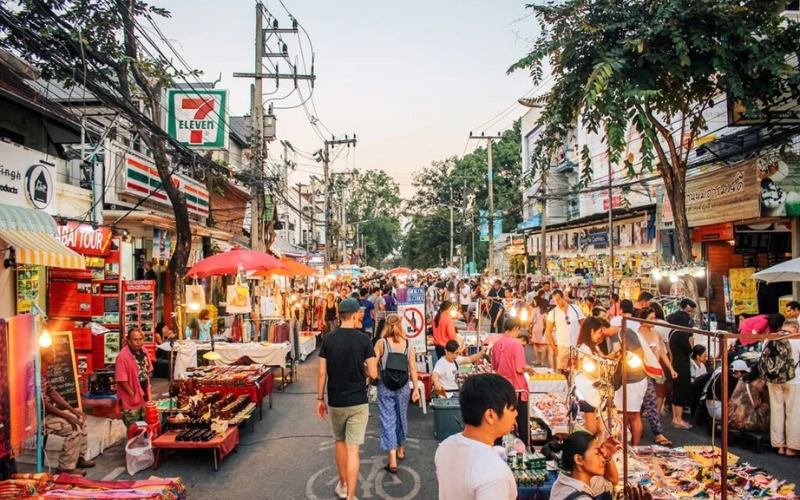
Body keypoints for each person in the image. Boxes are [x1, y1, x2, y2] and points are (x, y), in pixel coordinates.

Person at [317, 298, 379, 500]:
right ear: (354, 316)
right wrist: (363, 370)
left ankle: (342, 484)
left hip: (336, 400)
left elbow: (321, 373)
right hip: (358, 401)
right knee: (354, 449)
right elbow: (373, 372)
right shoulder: (363, 340)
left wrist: (320, 399)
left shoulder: (328, 339)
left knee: (340, 442)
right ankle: (351, 496)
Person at [435, 374, 518, 500]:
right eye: (511, 409)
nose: (516, 413)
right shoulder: (493, 473)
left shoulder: (446, 446)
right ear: (490, 415)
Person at [373, 314, 420, 473]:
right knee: (402, 417)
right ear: (401, 326)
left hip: (385, 385)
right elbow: (413, 368)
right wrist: (415, 389)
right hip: (403, 386)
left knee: (388, 420)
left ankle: (392, 459)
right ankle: (401, 448)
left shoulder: (381, 343)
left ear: (386, 326)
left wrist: (372, 376)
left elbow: (372, 363)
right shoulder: (408, 344)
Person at [42, 347, 95, 475]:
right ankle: (65, 467)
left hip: (49, 413)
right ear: (46, 356)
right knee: (73, 428)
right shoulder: (33, 373)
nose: (55, 355)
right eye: (52, 352)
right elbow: (43, 404)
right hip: (39, 417)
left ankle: (78, 458)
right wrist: (66, 416)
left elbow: (51, 392)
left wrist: (72, 410)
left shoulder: (43, 373)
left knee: (80, 420)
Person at [491, 317, 536, 444]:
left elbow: (495, 366)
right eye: (518, 330)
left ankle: (498, 446)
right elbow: (519, 368)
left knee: (500, 418)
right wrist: (529, 369)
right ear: (515, 329)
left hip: (501, 387)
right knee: (522, 421)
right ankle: (526, 447)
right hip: (517, 388)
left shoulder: (496, 344)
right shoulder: (516, 344)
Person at [638, 308, 678, 447]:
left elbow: (662, 354)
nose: (653, 321)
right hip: (642, 371)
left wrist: (671, 369)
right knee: (650, 401)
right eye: (650, 318)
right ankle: (658, 433)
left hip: (654, 371)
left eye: (654, 318)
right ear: (643, 320)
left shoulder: (656, 334)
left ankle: (636, 427)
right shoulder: (638, 335)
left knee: (644, 402)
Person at [763, 313, 800, 456]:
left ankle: (778, 445)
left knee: (777, 411)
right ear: (795, 328)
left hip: (773, 380)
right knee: (793, 413)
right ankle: (791, 447)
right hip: (793, 380)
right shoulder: (796, 339)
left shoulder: (770, 338)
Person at [549, 431, 619, 500]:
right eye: (597, 453)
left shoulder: (564, 481)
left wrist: (608, 457)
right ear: (579, 459)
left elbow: (612, 482)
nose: (603, 459)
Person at [115, 328, 153, 429]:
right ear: (128, 340)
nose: (139, 342)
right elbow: (122, 380)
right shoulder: (122, 356)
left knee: (145, 427)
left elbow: (147, 370)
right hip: (130, 400)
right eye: (135, 339)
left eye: (141, 339)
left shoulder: (144, 351)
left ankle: (144, 444)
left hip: (144, 396)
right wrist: (133, 394)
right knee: (134, 429)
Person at [667, 303, 696, 429]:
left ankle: (676, 417)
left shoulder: (672, 333)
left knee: (676, 390)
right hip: (682, 364)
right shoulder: (680, 334)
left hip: (676, 363)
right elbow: (689, 350)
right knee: (680, 390)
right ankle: (678, 418)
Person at [545, 289, 585, 372]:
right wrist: (554, 348)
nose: (557, 302)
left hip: (576, 346)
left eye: (559, 299)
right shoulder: (553, 313)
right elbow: (548, 331)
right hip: (562, 347)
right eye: (555, 301)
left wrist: (582, 342)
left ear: (563, 297)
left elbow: (584, 325)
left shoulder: (576, 309)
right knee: (561, 372)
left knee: (578, 371)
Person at [530, 294, 551, 367]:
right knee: (543, 346)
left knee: (535, 344)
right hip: (544, 330)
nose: (534, 302)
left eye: (534, 301)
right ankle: (542, 362)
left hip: (535, 329)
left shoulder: (535, 309)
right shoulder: (546, 311)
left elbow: (530, 320)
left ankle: (536, 360)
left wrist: (532, 323)